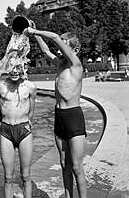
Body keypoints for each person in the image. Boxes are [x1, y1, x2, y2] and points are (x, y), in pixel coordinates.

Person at [25, 24, 87, 198]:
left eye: (65, 45)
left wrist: (34, 32)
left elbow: (55, 39)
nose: (60, 49)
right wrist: (35, 32)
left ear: (75, 49)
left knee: (76, 166)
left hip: (73, 117)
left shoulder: (76, 65)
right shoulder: (60, 64)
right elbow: (46, 51)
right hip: (59, 117)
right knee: (63, 163)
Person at [0, 55, 37, 198]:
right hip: (6, 132)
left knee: (26, 175)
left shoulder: (30, 87)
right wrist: (5, 122)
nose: (15, 71)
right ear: (7, 69)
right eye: (12, 68)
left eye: (18, 67)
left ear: (23, 68)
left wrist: (25, 123)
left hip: (24, 130)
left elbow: (31, 112)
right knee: (8, 177)